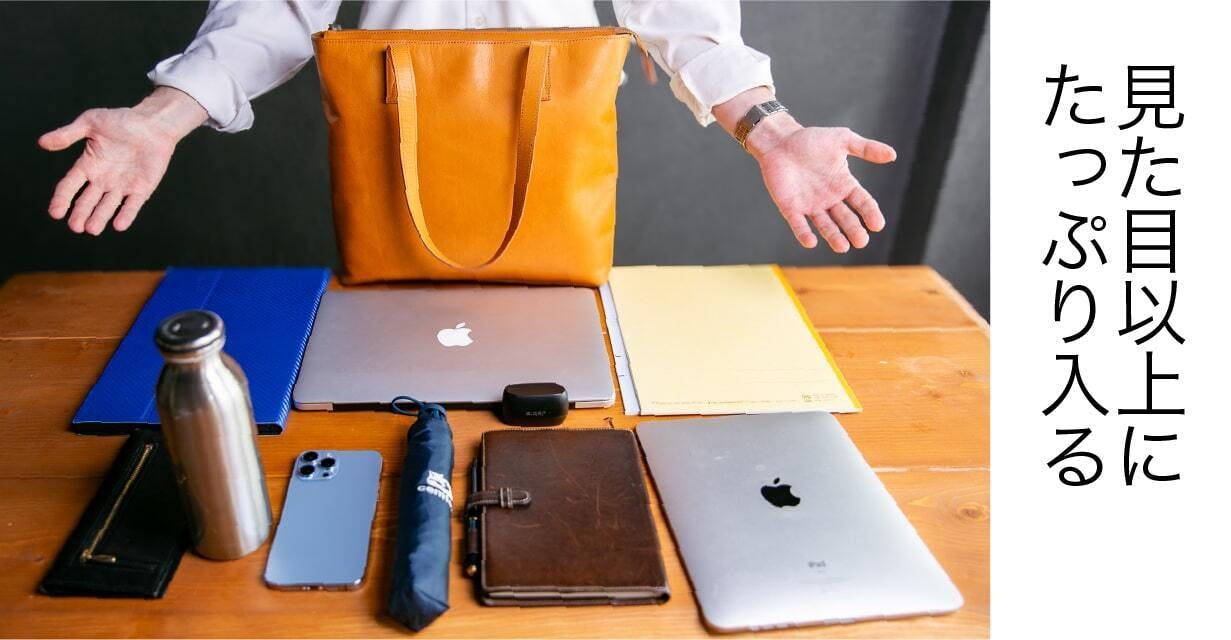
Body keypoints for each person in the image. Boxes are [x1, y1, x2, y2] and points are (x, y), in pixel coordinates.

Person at [38, 0, 897, 253]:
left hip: (556, 156)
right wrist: (159, 118)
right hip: (391, 153)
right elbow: (274, 11)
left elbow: (681, 18)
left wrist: (773, 131)